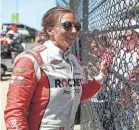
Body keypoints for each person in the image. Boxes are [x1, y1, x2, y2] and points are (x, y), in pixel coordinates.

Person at [4, 7, 108, 130]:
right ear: (50, 29)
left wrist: (101, 76)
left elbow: (76, 94)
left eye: (77, 26)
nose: (74, 31)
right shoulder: (31, 60)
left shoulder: (73, 60)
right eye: (67, 25)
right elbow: (15, 113)